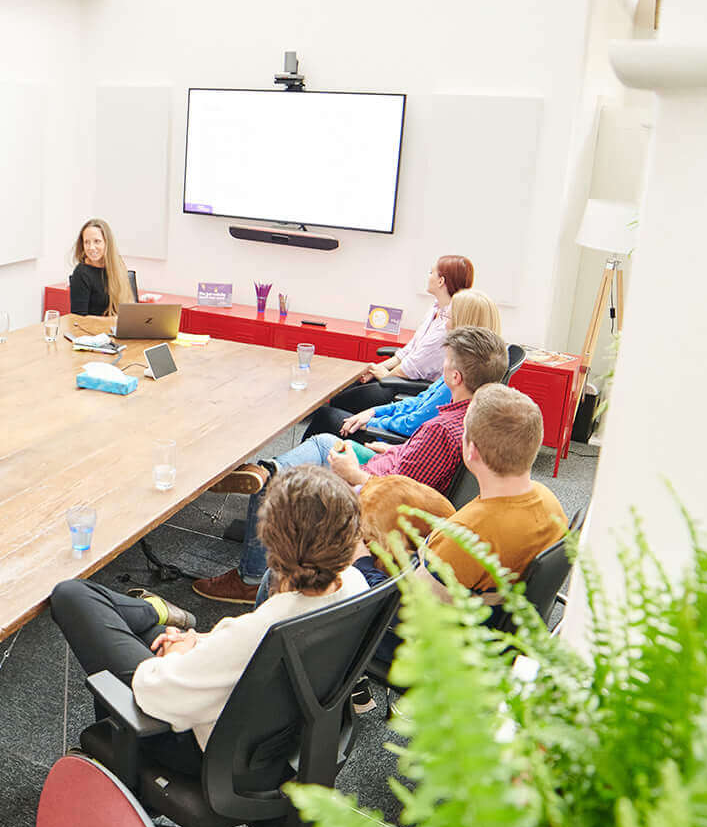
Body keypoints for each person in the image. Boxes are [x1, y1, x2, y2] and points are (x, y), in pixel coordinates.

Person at [50, 467, 367, 767]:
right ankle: (155, 616)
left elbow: (155, 694)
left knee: (72, 595)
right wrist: (199, 641)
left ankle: (152, 612)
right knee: (148, 630)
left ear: (270, 543)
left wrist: (175, 653)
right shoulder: (355, 586)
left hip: (210, 755)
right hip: (289, 742)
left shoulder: (260, 632)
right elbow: (238, 651)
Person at [194, 328, 506, 603]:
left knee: (283, 483)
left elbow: (396, 496)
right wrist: (397, 447)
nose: (442, 367)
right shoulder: (472, 414)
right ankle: (267, 472)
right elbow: (419, 466)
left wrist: (353, 473)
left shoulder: (440, 429)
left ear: (455, 377)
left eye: (446, 362)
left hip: (373, 490)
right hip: (387, 465)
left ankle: (250, 576)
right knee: (324, 442)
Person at [359, 385, 567, 595]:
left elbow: (400, 609)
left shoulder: (463, 536)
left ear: (471, 450)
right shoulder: (551, 504)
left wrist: (362, 561)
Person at [306, 287, 501, 441]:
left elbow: (413, 423)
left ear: (463, 321)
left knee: (325, 416)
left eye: (448, 316)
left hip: (393, 441)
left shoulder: (457, 380)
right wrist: (374, 412)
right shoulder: (461, 364)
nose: (444, 320)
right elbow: (419, 402)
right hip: (393, 425)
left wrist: (373, 421)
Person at [322, 255, 476, 417]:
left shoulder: (447, 325)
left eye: (431, 273)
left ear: (441, 281)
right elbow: (410, 350)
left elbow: (413, 367)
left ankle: (343, 431)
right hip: (400, 376)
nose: (428, 276)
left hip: (411, 385)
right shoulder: (436, 309)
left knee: (341, 401)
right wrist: (376, 368)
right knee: (347, 386)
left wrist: (384, 374)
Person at [66, 218, 132, 318]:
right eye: (87, 242)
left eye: (97, 241)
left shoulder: (118, 265)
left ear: (107, 243)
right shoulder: (81, 273)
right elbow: (78, 318)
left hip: (117, 330)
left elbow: (128, 304)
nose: (91, 247)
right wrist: (113, 321)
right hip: (93, 332)